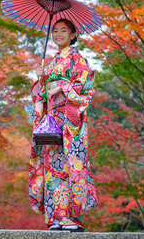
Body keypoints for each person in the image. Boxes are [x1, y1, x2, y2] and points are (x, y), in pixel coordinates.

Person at [28, 18, 98, 232]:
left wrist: (61, 89)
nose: (58, 34)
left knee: (68, 167)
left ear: (73, 35)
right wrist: (40, 80)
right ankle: (56, 218)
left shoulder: (76, 58)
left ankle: (71, 218)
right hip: (51, 122)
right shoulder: (51, 62)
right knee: (51, 168)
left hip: (69, 122)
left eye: (63, 31)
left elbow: (85, 87)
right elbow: (40, 95)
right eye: (55, 30)